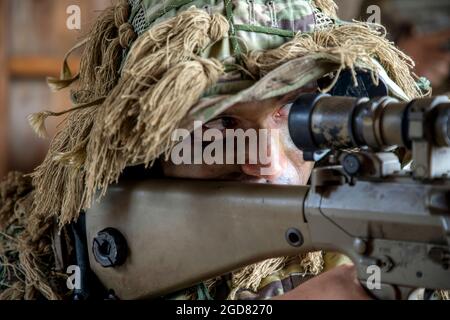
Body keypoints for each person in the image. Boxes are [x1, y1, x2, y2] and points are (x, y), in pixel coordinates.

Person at [0, 0, 425, 300]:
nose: (268, 164)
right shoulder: (34, 258)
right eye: (221, 126)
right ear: (136, 150)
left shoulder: (356, 241)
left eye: (297, 116)